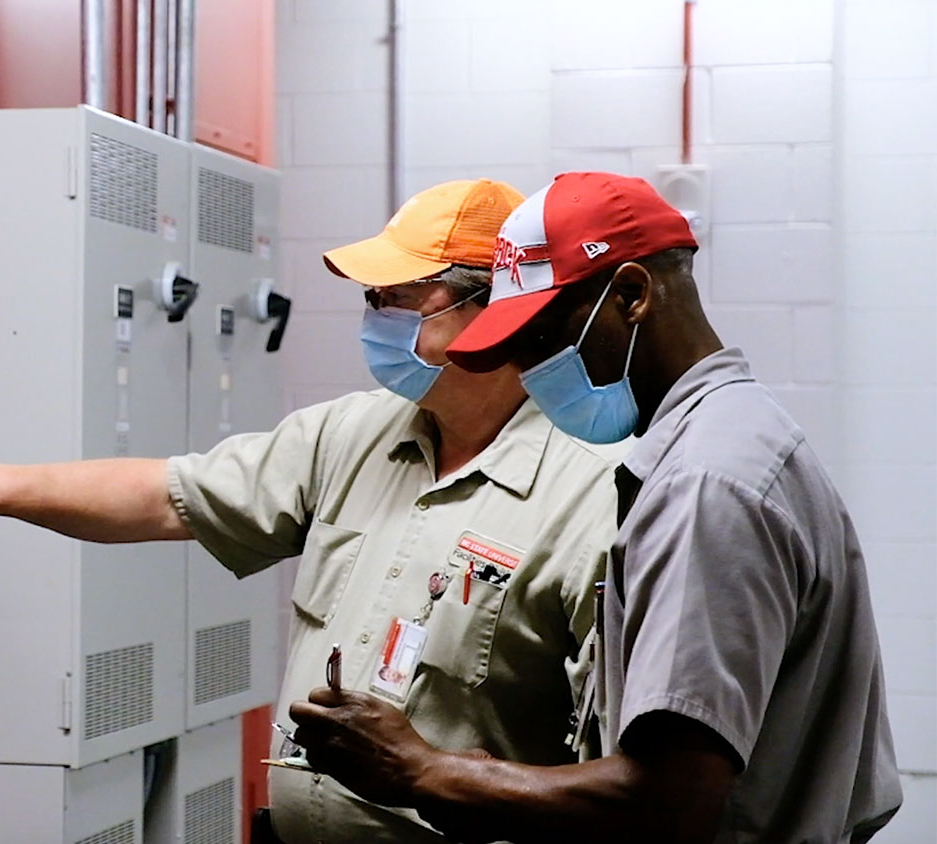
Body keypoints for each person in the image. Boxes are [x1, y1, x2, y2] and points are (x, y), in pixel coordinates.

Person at [0, 180, 628, 843]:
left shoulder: (593, 494)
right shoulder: (352, 433)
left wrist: (436, 773)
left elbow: (629, 782)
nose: (375, 315)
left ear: (492, 309)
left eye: (399, 297)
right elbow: (169, 494)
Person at [287, 172, 904, 843]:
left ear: (633, 296)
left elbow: (668, 802)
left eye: (543, 335)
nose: (526, 370)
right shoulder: (741, 436)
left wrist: (423, 771)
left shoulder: (706, 483)